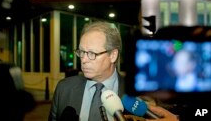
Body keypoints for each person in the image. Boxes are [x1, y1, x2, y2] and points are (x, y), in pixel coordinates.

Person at [48, 21, 178, 121]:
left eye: (91, 53)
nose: (83, 60)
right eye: (81, 52)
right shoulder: (64, 88)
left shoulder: (138, 96)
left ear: (113, 55)